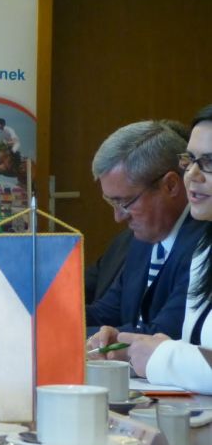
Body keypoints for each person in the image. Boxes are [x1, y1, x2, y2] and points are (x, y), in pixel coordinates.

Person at [92, 105, 212, 393]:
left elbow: (171, 337)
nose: (192, 174)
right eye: (190, 160)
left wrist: (160, 355)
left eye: (209, 162)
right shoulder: (203, 250)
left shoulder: (197, 242)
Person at [85, 120, 204, 337]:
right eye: (112, 202)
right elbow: (105, 313)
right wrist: (44, 317)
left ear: (171, 185)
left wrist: (103, 340)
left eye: (125, 202)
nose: (118, 217)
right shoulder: (143, 238)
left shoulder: (203, 246)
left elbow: (163, 334)